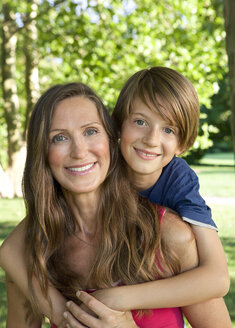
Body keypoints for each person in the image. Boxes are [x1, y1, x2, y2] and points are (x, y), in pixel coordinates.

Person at [0, 79, 232, 327]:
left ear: (110, 140)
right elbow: (10, 250)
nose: (79, 151)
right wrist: (62, 315)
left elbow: (217, 278)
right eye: (59, 138)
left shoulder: (170, 238)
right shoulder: (33, 259)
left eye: (90, 131)